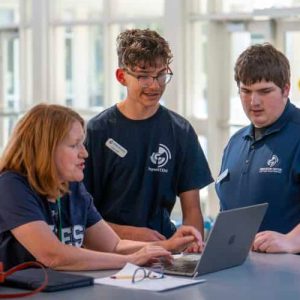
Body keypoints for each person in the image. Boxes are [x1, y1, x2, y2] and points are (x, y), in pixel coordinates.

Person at [0, 103, 203, 271]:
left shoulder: (72, 188)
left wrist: (167, 246)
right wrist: (130, 261)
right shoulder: (11, 186)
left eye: (83, 144)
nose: (84, 153)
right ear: (44, 150)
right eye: (74, 145)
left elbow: (114, 245)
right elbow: (52, 255)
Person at [84, 28, 213, 243]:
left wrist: (191, 244)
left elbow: (192, 211)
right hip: (109, 252)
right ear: (121, 76)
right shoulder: (98, 131)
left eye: (161, 75)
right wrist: (131, 234)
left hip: (163, 251)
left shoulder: (180, 131)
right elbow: (81, 214)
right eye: (143, 76)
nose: (154, 85)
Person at [215, 43, 300, 254]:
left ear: (286, 89)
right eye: (246, 91)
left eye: (265, 91)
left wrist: (292, 241)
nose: (254, 102)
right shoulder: (236, 142)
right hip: (237, 271)